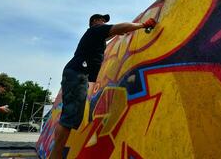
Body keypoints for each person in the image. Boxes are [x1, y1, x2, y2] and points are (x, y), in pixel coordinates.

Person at [50, 14, 156, 158]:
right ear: (94, 22)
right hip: (77, 74)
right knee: (69, 118)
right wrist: (143, 25)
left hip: (77, 74)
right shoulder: (95, 30)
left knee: (70, 118)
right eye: (102, 20)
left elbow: (111, 35)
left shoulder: (95, 38)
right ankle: (55, 156)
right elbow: (119, 27)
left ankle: (56, 154)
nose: (105, 22)